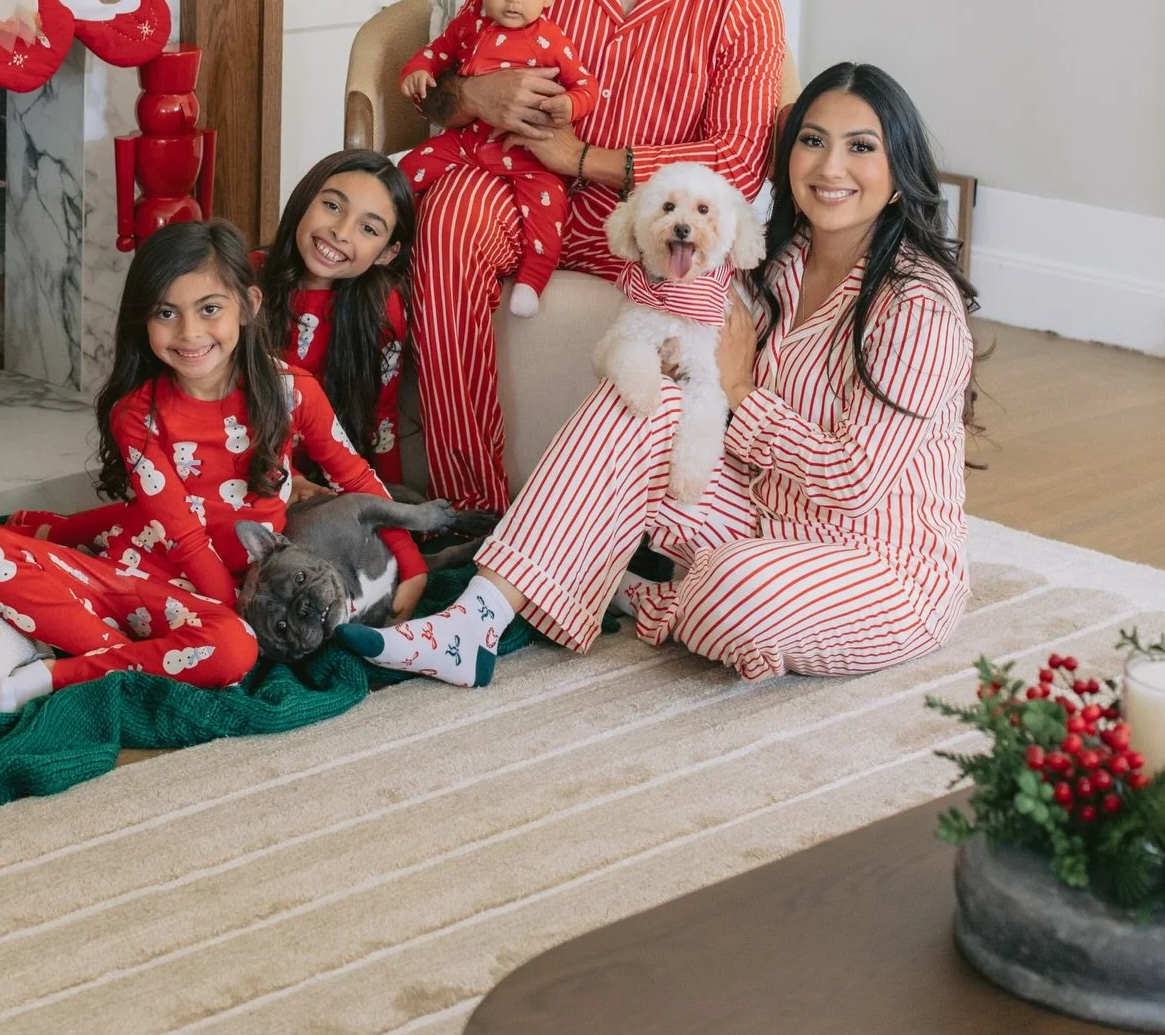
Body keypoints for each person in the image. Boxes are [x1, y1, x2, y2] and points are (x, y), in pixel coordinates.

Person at [340, 63, 978, 688]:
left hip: (880, 565)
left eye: (860, 148)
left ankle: (642, 594)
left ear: (897, 173)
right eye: (813, 141)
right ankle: (471, 623)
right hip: (762, 511)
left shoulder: (917, 304)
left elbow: (856, 483)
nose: (830, 167)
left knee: (737, 588)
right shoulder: (780, 265)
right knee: (635, 399)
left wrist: (741, 395)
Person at [411, 0, 785, 512]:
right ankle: (468, 510)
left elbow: (739, 163)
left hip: (652, 224)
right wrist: (472, 96)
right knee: (451, 216)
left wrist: (582, 158)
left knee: (705, 325)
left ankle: (649, 523)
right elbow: (441, 87)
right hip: (519, 191)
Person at [0, 220, 427, 709]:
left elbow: (355, 478)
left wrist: (412, 569)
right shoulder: (136, 413)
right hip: (137, 574)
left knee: (233, 650)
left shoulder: (293, 391)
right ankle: (135, 659)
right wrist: (223, 614)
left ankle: (62, 672)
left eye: (210, 309)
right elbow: (184, 534)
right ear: (144, 320)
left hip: (220, 599)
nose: (189, 333)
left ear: (248, 306)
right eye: (166, 313)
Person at [401, 0, 599, 319]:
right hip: (468, 143)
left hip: (529, 156)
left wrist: (571, 106)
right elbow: (435, 53)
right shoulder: (469, 26)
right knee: (406, 170)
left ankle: (532, 279)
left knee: (548, 210)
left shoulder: (552, 42)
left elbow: (586, 87)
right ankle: (392, 238)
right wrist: (416, 72)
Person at [257, 150, 415, 486]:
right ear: (305, 199)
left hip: (327, 480)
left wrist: (390, 502)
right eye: (332, 206)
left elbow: (381, 420)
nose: (341, 232)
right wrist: (289, 480)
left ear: (387, 253)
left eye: (368, 229)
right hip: (242, 470)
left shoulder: (382, 306)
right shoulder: (246, 278)